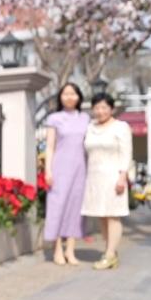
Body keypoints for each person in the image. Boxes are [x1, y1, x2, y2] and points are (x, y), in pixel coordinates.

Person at [81, 92, 133, 270]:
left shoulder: (121, 127)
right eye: (96, 108)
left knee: (112, 214)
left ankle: (109, 255)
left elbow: (126, 153)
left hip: (113, 177)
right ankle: (111, 252)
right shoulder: (90, 128)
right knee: (101, 215)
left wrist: (122, 177)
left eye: (104, 107)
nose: (100, 111)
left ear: (111, 109)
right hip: (94, 178)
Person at [43, 82, 91, 265]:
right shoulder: (54, 118)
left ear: (79, 97)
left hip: (80, 169)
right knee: (58, 207)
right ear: (60, 97)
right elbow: (50, 146)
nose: (69, 97)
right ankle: (57, 249)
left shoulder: (85, 118)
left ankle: (70, 250)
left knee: (75, 208)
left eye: (73, 94)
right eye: (65, 94)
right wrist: (48, 170)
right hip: (59, 168)